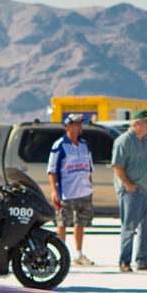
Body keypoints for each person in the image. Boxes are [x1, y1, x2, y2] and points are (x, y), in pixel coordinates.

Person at [112, 109, 147, 272]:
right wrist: (128, 185)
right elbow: (117, 166)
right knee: (129, 226)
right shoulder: (123, 141)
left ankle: (142, 260)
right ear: (137, 123)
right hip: (132, 192)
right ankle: (124, 261)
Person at [47, 114, 95, 266]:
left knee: (80, 223)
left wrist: (90, 185)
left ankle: (78, 254)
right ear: (68, 126)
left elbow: (89, 168)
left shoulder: (84, 145)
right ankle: (60, 254)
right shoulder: (59, 145)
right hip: (66, 192)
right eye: (76, 124)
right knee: (62, 223)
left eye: (80, 124)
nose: (79, 127)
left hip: (83, 191)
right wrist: (54, 191)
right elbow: (52, 170)